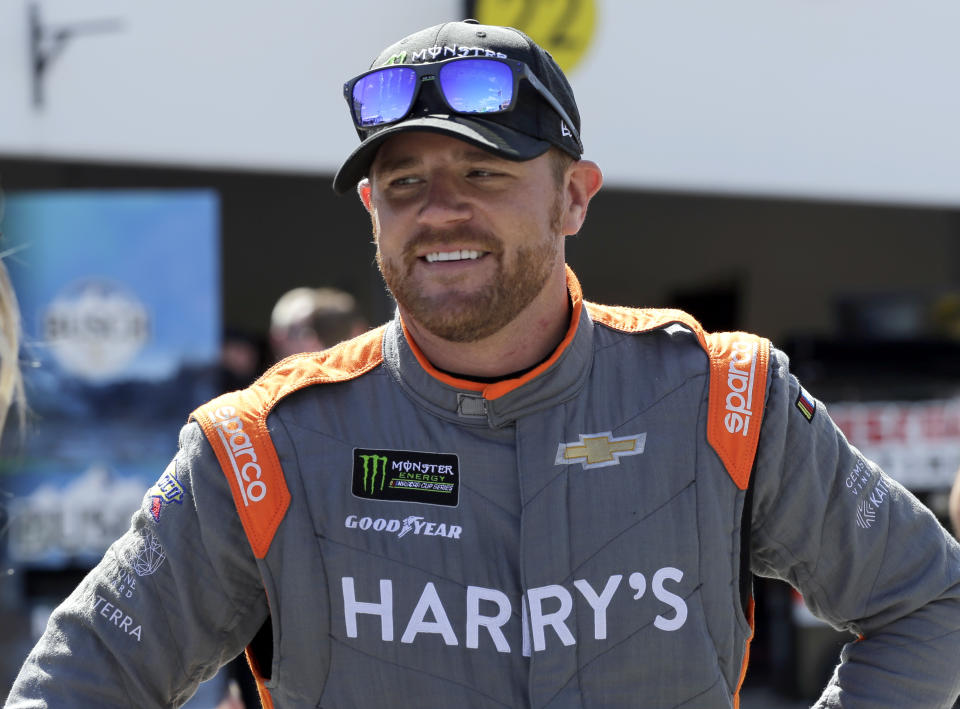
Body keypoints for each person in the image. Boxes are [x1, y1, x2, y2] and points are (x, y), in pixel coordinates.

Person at [7, 20, 960, 709]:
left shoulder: (727, 396)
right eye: (405, 182)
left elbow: (927, 598)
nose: (441, 209)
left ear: (574, 198)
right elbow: (79, 683)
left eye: (486, 174)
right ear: (373, 213)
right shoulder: (259, 446)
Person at [267, 286, 368, 362]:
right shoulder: (264, 388)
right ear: (278, 339)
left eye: (321, 328)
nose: (314, 340)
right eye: (303, 332)